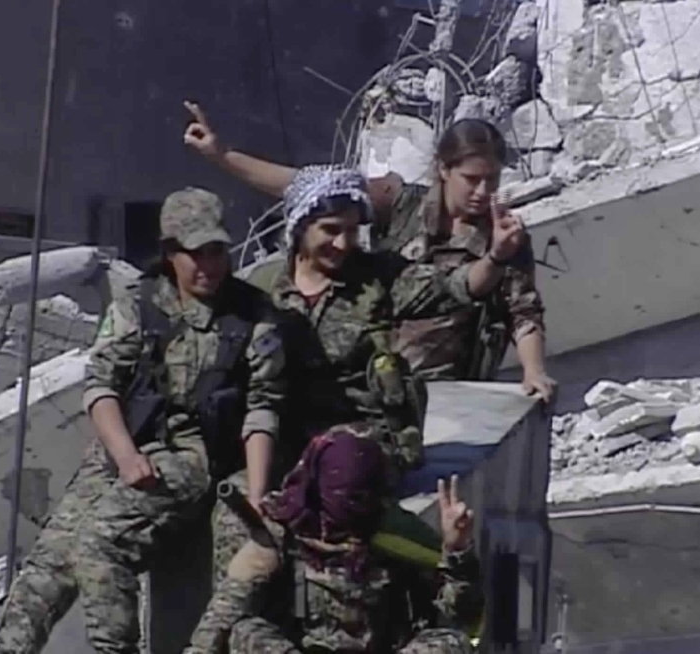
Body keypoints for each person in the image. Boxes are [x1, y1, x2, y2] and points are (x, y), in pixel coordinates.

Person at [183, 163, 520, 654]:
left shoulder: (377, 277)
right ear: (299, 228)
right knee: (236, 513)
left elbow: (455, 288)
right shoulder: (266, 292)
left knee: (343, 502)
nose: (342, 244)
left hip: (363, 444)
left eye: (351, 230)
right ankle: (249, 619)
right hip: (294, 444)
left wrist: (495, 256)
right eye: (330, 231)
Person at [0, 188, 288, 654]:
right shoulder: (139, 304)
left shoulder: (252, 315)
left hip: (193, 454)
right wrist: (125, 457)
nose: (209, 265)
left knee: (101, 541)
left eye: (217, 252)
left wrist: (256, 492)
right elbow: (101, 385)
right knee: (49, 565)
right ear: (171, 254)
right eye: (196, 254)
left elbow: (263, 407)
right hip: (125, 448)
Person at [183, 101, 555, 401]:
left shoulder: (503, 236)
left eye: (493, 179)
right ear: (444, 169)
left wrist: (534, 371)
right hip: (372, 372)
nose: (483, 191)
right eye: (472, 179)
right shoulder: (400, 204)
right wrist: (223, 155)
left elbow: (523, 311)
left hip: (451, 385)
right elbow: (312, 187)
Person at [195, 428, 481, 654]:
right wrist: (258, 566)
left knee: (450, 644)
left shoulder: (395, 534)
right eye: (345, 496)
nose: (353, 507)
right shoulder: (280, 531)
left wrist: (456, 550)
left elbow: (463, 615)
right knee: (247, 633)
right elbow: (222, 617)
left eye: (362, 496)